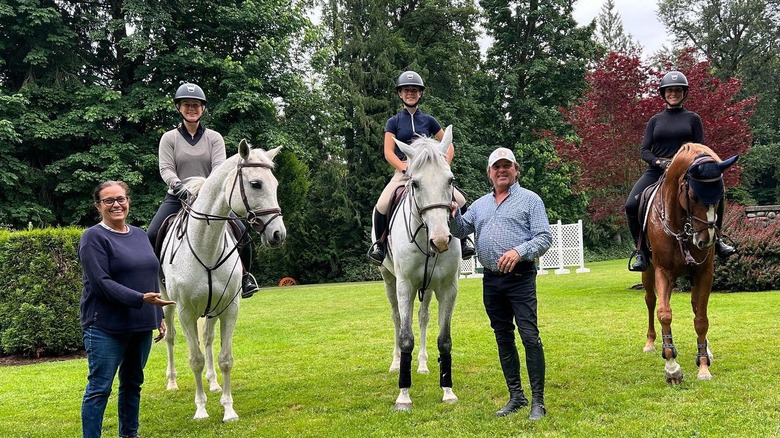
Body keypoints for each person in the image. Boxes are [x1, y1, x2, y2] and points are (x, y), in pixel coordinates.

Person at [449, 147, 552, 421]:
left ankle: (538, 403)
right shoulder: (480, 205)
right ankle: (516, 396)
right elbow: (460, 230)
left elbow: (544, 237)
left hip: (520, 278)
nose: (502, 170)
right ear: (489, 173)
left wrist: (519, 251)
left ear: (516, 170)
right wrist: (452, 213)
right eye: (497, 166)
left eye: (507, 166)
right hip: (491, 280)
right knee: (503, 336)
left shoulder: (530, 200)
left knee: (529, 336)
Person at [78, 180, 175, 438]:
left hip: (141, 324)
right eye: (108, 200)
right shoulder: (93, 237)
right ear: (98, 206)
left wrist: (158, 315)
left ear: (128, 201)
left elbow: (150, 274)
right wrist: (141, 299)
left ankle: (129, 435)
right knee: (100, 388)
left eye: (120, 199)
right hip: (105, 326)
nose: (116, 204)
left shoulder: (140, 235)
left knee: (133, 384)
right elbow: (101, 283)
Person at [146, 82, 260, 298]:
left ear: (203, 109)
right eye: (187, 104)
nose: (192, 108)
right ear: (179, 107)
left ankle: (245, 277)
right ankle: (158, 279)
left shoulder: (214, 138)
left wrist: (205, 191)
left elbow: (218, 169)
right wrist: (179, 188)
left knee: (240, 231)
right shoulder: (169, 138)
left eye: (196, 105)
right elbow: (166, 168)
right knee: (151, 233)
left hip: (209, 197)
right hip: (178, 196)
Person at [625, 70, 736, 272]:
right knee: (631, 204)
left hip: (687, 172)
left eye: (677, 90)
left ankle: (718, 240)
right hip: (657, 171)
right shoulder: (655, 120)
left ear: (683, 93)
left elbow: (700, 148)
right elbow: (644, 150)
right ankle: (641, 252)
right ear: (664, 94)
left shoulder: (693, 119)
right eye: (669, 91)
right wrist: (660, 163)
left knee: (716, 195)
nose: (673, 94)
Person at [367, 70, 475, 264]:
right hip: (405, 171)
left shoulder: (429, 120)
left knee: (460, 200)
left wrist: (442, 167)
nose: (411, 93)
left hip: (430, 171)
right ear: (400, 94)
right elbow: (388, 152)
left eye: (415, 90)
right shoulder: (394, 122)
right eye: (406, 90)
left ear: (420, 93)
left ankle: (465, 239)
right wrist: (404, 168)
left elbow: (449, 146)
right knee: (382, 205)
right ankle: (380, 246)